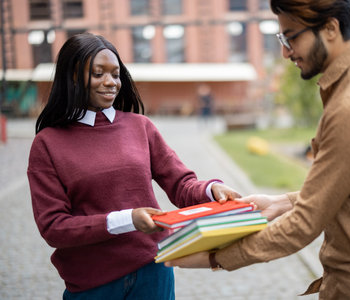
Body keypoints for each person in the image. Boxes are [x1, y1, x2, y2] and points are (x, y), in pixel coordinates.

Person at [165, 0, 350, 299]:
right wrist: (280, 202)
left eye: (292, 37)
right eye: (282, 39)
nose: (285, 52)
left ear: (330, 28)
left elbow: (303, 225)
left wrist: (215, 258)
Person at [27, 32, 240, 300]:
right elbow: (54, 227)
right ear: (72, 77)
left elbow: (181, 184)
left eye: (115, 74)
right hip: (92, 284)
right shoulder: (47, 144)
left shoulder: (141, 127)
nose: (110, 82)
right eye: (97, 73)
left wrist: (212, 190)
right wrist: (128, 220)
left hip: (154, 273)